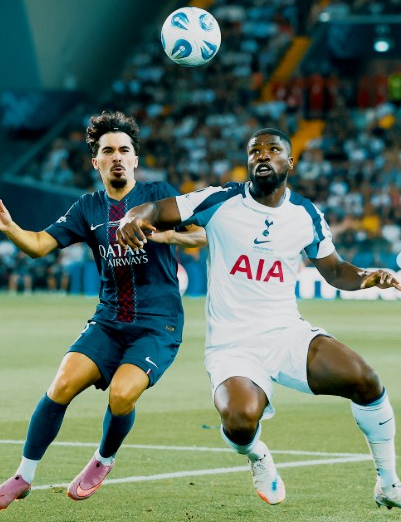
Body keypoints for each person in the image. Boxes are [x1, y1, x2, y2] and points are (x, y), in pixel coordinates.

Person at [116, 127, 401, 510]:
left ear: (290, 161)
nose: (263, 155)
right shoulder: (220, 200)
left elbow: (335, 271)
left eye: (273, 149)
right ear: (248, 161)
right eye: (255, 151)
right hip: (232, 345)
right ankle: (257, 455)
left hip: (286, 334)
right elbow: (156, 210)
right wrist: (132, 216)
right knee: (240, 419)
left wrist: (368, 276)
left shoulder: (305, 214)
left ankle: (388, 483)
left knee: (366, 380)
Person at [0, 110, 206, 510]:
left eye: (124, 150)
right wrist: (10, 227)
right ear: (95, 161)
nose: (117, 156)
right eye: (108, 151)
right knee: (61, 384)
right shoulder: (87, 207)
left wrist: (163, 236)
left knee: (122, 395)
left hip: (158, 324)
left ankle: (103, 459)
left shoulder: (159, 195)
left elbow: (202, 234)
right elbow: (38, 246)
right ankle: (23, 476)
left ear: (135, 159)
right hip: (108, 321)